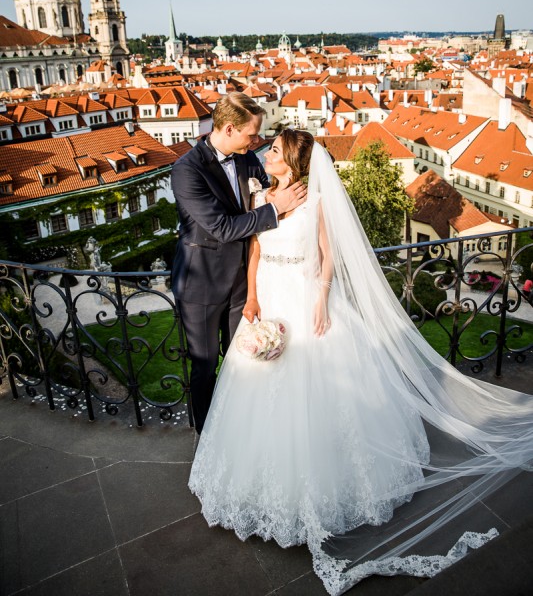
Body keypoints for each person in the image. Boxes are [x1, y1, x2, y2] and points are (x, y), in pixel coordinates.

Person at [189, 129, 533, 595]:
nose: (264, 154)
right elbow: (253, 249)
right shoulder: (261, 195)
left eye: (272, 150)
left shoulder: (315, 199)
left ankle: (333, 487)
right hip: (269, 294)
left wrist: (321, 298)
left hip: (307, 296)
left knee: (317, 389)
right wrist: (251, 297)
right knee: (259, 383)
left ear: (290, 158)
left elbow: (330, 257)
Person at [170, 93, 305, 434]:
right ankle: (207, 437)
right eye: (252, 134)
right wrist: (277, 210)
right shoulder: (187, 170)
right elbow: (223, 228)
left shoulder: (245, 159)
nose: (257, 141)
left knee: (241, 363)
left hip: (242, 283)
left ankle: (241, 432)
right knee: (204, 367)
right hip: (201, 284)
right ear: (229, 129)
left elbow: (267, 193)